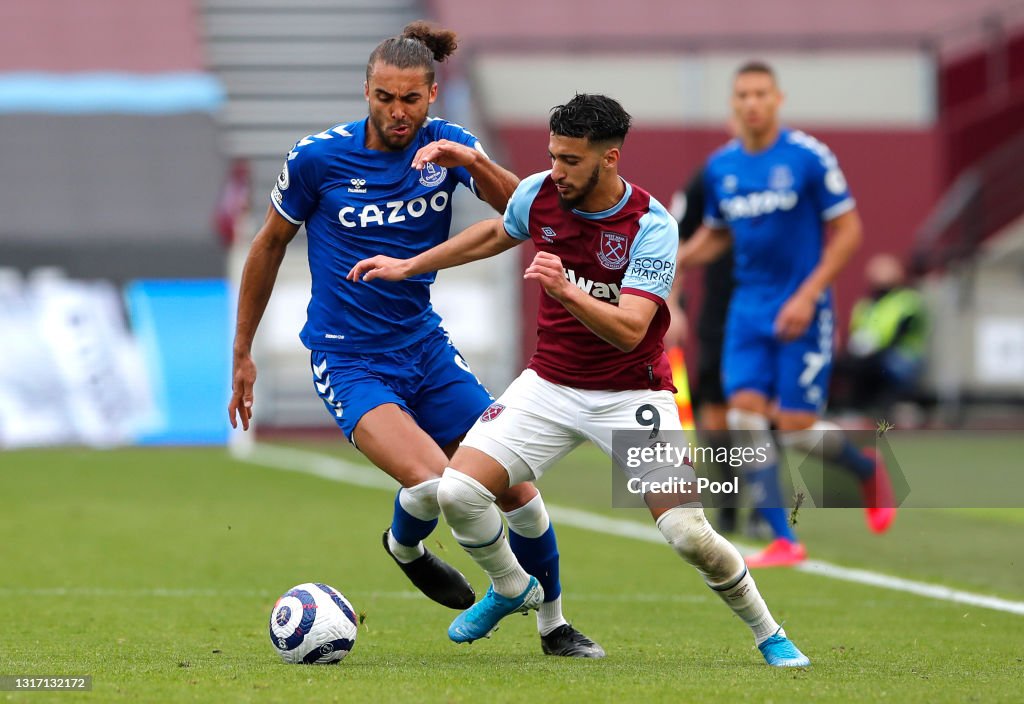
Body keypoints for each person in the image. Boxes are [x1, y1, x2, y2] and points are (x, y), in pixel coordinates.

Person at [349, 93, 810, 667]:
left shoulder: (650, 225)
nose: (556, 171)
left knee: (689, 535)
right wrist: (410, 265)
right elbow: (498, 232)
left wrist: (566, 288)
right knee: (459, 491)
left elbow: (632, 329)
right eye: (553, 156)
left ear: (609, 158)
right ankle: (512, 587)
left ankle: (770, 633)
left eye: (570, 160)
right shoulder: (539, 193)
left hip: (632, 395)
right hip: (549, 386)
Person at [227, 21, 601, 657]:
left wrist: (475, 162)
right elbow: (267, 245)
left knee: (518, 490)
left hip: (425, 350)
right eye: (383, 97)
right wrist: (242, 352)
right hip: (348, 359)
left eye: (409, 99)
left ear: (432, 96)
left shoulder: (447, 146)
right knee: (438, 484)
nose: (396, 112)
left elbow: (532, 217)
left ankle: (554, 626)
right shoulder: (318, 158)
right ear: (365, 91)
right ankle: (472, 570)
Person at [677, 61, 897, 568]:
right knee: (743, 419)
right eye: (743, 95)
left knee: (796, 429)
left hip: (802, 308)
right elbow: (717, 233)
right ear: (733, 104)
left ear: (778, 99)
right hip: (746, 311)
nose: (752, 103)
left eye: (761, 93)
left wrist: (808, 295)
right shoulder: (721, 168)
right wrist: (676, 261)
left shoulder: (808, 157)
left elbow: (849, 232)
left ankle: (864, 467)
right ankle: (783, 538)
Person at [667, 165, 741, 534]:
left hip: (778, 308)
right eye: (743, 99)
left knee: (767, 410)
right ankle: (730, 505)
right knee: (715, 408)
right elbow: (674, 240)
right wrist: (672, 303)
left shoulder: (798, 167)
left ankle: (765, 504)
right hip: (721, 308)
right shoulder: (712, 176)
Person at [833, 253, 927, 414]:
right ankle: (851, 408)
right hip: (869, 353)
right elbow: (856, 334)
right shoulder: (865, 304)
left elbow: (901, 335)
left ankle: (896, 404)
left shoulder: (908, 300)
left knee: (881, 363)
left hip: (900, 355)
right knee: (847, 364)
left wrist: (873, 352)